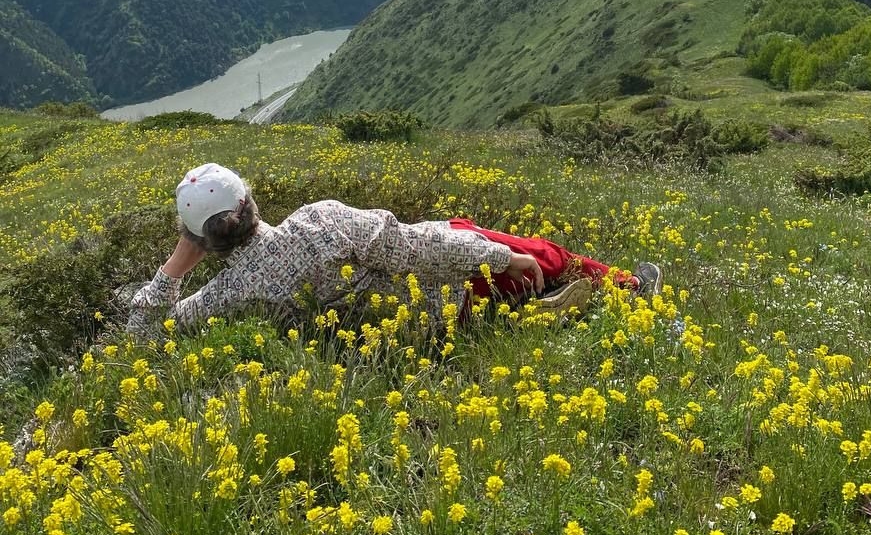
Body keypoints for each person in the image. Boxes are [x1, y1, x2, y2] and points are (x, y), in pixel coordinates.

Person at [125, 162, 663, 339]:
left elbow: (144, 333)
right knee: (539, 252)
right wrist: (505, 258)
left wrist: (176, 265)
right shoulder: (319, 221)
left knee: (468, 243)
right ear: (251, 203)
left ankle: (529, 310)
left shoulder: (227, 294)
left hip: (404, 336)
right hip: (448, 296)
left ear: (202, 241)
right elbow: (416, 250)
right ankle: (631, 290)